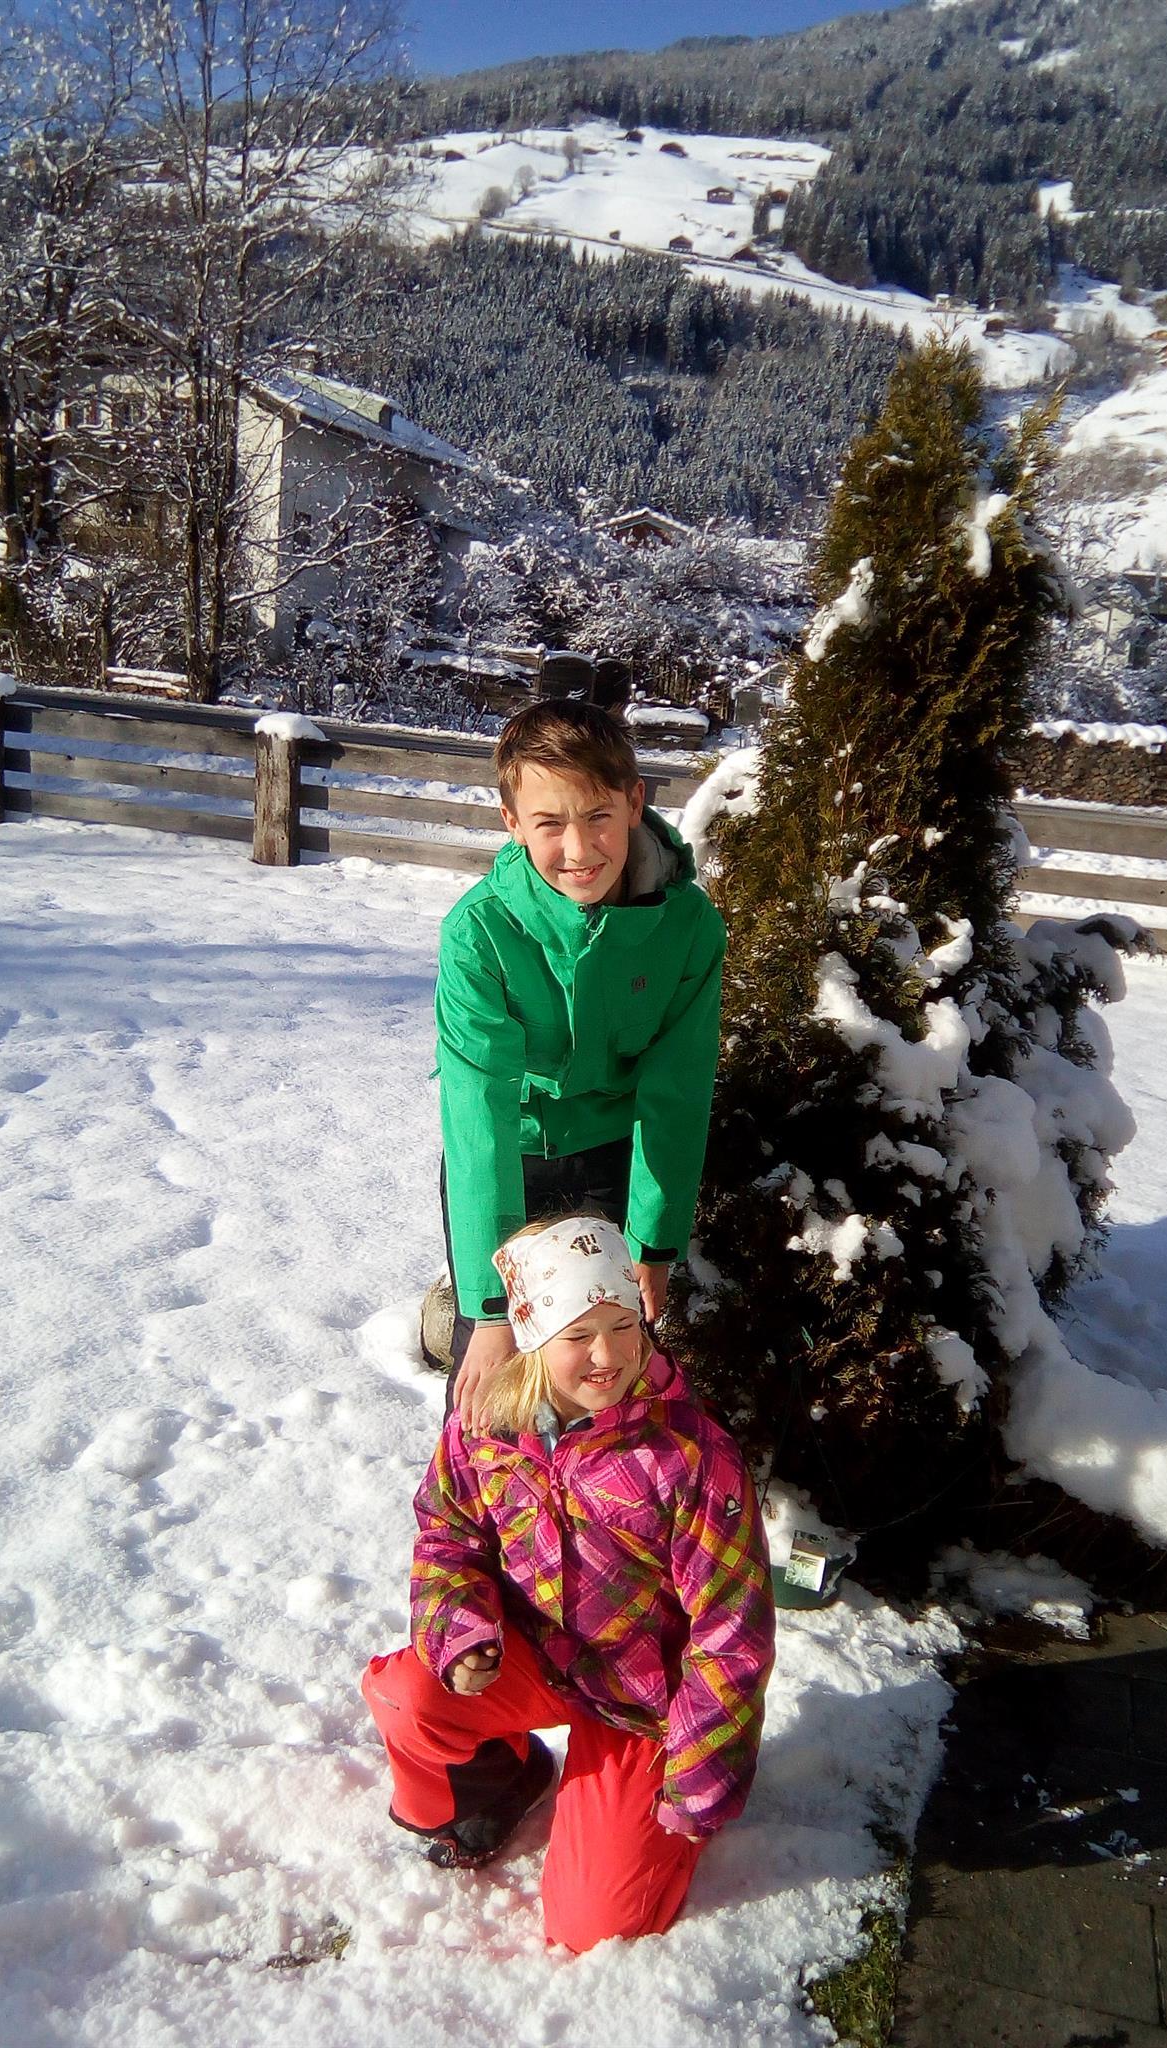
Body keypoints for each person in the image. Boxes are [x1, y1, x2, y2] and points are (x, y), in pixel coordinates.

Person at [362, 1214, 774, 1952]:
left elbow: (731, 1632)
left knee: (593, 1923)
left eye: (623, 1326)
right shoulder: (486, 1423)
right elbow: (449, 1532)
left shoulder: (689, 1454)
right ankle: (506, 1779)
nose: (607, 1354)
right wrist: (459, 1630)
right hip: (535, 1656)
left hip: (643, 1702)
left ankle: (649, 1812)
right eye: (578, 1335)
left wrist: (699, 1773)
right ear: (530, 1337)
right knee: (406, 1693)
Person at [435, 698, 726, 1430]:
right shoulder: (479, 934)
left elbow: (677, 1090)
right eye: (549, 823)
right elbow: (478, 1117)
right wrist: (492, 1311)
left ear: (635, 802)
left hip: (611, 1157)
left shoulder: (688, 927)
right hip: (511, 1156)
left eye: (598, 816)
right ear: (512, 822)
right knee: (500, 1379)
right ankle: (483, 1492)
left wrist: (654, 1243)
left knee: (603, 1365)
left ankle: (603, 1497)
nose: (578, 848)